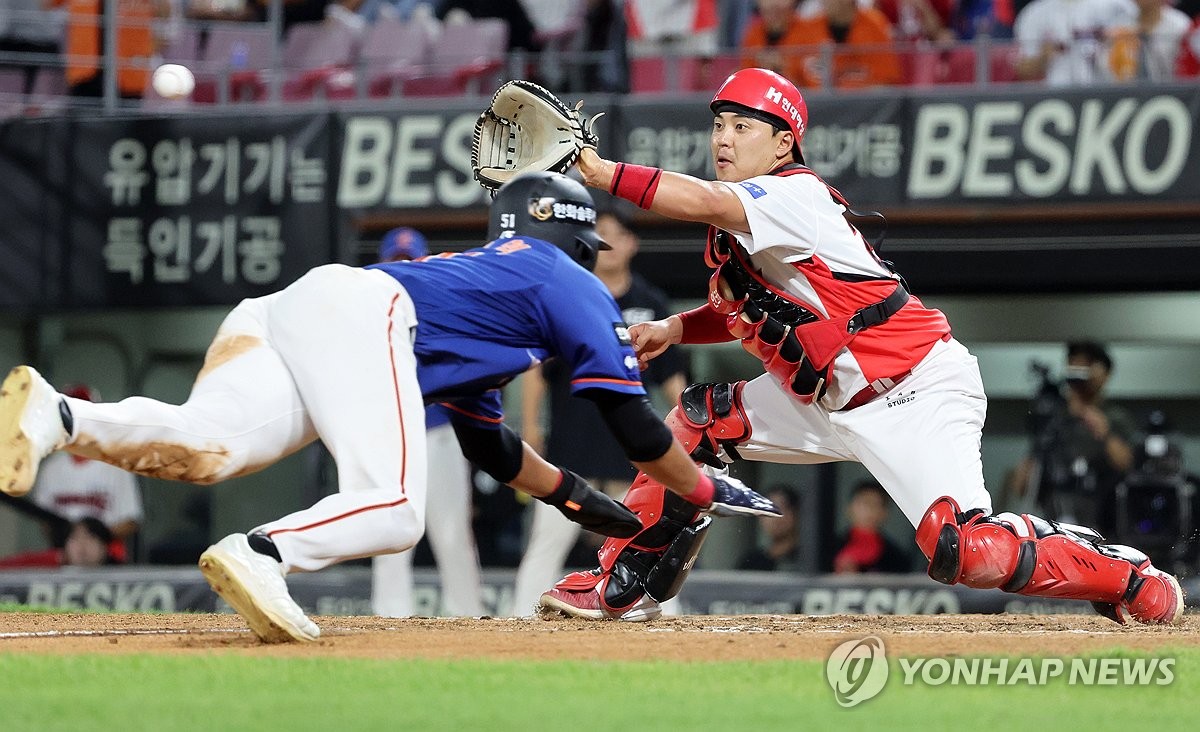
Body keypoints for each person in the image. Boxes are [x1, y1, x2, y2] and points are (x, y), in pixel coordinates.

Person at [0, 170, 778, 642]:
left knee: (210, 445)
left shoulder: (489, 295)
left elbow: (492, 448)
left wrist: (580, 501)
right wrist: (703, 489)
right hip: (363, 312)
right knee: (397, 509)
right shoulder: (563, 278)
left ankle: (61, 416)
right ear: (573, 235)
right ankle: (265, 553)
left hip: (297, 308)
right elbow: (635, 424)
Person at [539, 67, 1183, 626]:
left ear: (784, 140)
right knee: (693, 422)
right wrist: (676, 329)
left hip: (913, 388)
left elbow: (703, 200)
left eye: (743, 127)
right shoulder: (751, 221)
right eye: (720, 126)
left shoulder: (795, 195)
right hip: (826, 399)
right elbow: (748, 310)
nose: (724, 139)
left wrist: (597, 170)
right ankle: (619, 583)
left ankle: (1124, 575)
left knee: (966, 551)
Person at [511, 206, 688, 615]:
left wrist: (687, 435)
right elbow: (538, 371)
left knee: (646, 540)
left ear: (632, 244)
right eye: (599, 235)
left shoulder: (649, 302)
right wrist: (533, 428)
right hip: (572, 442)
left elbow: (671, 378)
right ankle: (521, 619)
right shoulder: (569, 294)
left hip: (630, 445)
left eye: (617, 235)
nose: (608, 245)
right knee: (547, 540)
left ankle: (665, 621)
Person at [370, 226, 486, 618]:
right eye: (396, 261)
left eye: (409, 260)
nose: (403, 268)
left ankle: (467, 614)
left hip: (438, 431)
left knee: (452, 533)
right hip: (389, 432)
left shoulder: (442, 303)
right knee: (388, 533)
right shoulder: (366, 309)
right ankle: (389, 615)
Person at [1007, 341, 1134, 535]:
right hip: (1052, 521)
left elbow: (1126, 463)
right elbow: (1021, 485)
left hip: (1102, 520)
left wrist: (1101, 430)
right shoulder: (1054, 417)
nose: (1080, 373)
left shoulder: (1114, 416)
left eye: (1088, 366)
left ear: (1105, 374)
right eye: (1074, 365)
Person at [30, 384, 144, 563]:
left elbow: (130, 521)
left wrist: (94, 539)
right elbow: (45, 521)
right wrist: (71, 542)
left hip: (108, 559)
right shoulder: (52, 468)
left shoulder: (114, 465)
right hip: (64, 558)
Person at [753, 0, 901, 89]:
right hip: (817, 108)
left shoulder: (875, 24)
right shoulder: (810, 27)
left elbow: (886, 82)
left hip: (864, 107)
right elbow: (796, 81)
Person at [1012, 0, 1136, 84]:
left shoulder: (1116, 5)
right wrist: (1044, 56)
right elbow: (1023, 70)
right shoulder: (1035, 13)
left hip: (1108, 89)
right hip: (1058, 91)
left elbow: (1136, 49)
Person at [830, 480, 912, 573]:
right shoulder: (829, 548)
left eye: (876, 504)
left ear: (885, 513)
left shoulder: (896, 558)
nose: (869, 509)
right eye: (865, 503)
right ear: (850, 508)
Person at [1107, 0, 1192, 81]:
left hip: (1174, 88)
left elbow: (1188, 67)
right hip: (1130, 90)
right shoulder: (1121, 25)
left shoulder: (1181, 25)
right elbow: (1108, 70)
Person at [738, 483, 800, 570]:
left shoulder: (809, 560)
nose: (775, 517)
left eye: (783, 508)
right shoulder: (751, 563)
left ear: (795, 513)